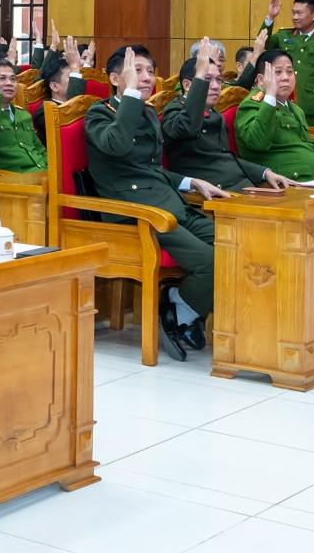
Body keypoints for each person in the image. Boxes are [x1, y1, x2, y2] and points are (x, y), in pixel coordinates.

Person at [84, 45, 229, 361]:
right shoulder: (99, 113)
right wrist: (133, 96)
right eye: (137, 71)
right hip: (137, 213)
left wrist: (190, 182)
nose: (147, 77)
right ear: (114, 78)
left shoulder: (148, 111)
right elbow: (118, 145)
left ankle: (182, 307)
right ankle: (179, 307)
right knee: (210, 260)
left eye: (150, 71)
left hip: (168, 202)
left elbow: (152, 167)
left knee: (235, 246)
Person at [162, 38, 292, 192]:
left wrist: (264, 172)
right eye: (207, 79)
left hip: (241, 185)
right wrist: (200, 75)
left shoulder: (215, 113)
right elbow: (188, 127)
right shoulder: (175, 110)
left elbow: (226, 158)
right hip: (213, 193)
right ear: (187, 85)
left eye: (219, 80)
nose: (216, 86)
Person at [234, 50, 314, 180]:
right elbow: (257, 142)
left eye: (289, 72)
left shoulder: (295, 109)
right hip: (284, 184)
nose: (285, 77)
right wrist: (270, 95)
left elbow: (308, 147)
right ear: (261, 80)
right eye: (277, 72)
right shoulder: (251, 105)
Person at [259, 0, 314, 126]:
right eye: (293, 13)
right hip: (283, 102)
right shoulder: (283, 35)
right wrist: (270, 17)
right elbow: (262, 43)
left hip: (311, 107)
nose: (294, 17)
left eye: (299, 13)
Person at [32, 35, 88, 141]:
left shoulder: (84, 101)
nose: (78, 82)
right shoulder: (46, 110)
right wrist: (75, 68)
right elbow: (73, 121)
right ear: (54, 86)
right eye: (71, 76)